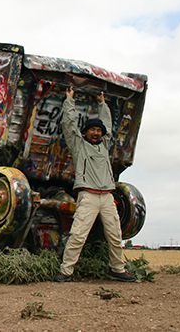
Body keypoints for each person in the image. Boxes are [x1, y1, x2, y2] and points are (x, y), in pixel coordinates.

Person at [53, 87, 136, 283]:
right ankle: (66, 272)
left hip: (107, 196)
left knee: (115, 235)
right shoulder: (79, 145)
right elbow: (69, 124)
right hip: (88, 196)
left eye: (99, 130)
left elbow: (107, 122)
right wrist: (69, 100)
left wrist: (102, 103)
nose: (96, 133)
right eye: (93, 130)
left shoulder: (105, 145)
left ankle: (117, 269)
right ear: (86, 132)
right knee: (78, 235)